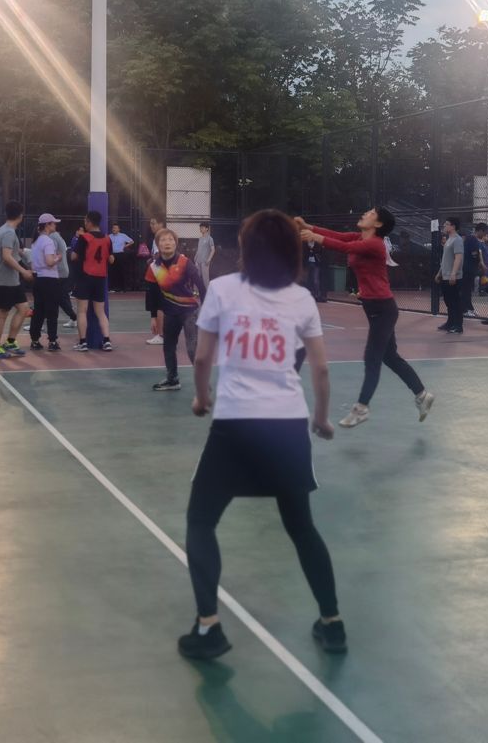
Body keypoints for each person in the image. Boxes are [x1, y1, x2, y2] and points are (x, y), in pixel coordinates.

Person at [178, 209, 343, 661]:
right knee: (301, 527)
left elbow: (202, 359)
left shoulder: (222, 289)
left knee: (200, 521)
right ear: (293, 252)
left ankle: (208, 627)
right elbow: (321, 370)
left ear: (244, 249)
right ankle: (332, 623)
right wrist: (321, 419)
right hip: (287, 426)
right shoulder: (302, 299)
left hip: (235, 424)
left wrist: (201, 398)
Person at [300, 208, 434, 428]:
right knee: (390, 357)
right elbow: (339, 237)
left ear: (378, 224)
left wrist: (315, 237)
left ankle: (361, 409)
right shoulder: (360, 237)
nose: (364, 214)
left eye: (370, 213)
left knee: (372, 358)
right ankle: (422, 395)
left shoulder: (374, 244)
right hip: (375, 307)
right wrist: (309, 227)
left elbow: (344, 247)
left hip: (383, 309)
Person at [147, 227, 207, 392]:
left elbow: (201, 285)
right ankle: (172, 379)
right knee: (168, 346)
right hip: (170, 312)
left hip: (189, 311)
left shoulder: (184, 262)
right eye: (163, 240)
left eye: (170, 239)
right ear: (158, 244)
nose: (167, 242)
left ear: (175, 243)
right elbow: (152, 294)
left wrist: (206, 309)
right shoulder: (154, 267)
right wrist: (153, 316)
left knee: (192, 348)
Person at [0, 201, 35, 358]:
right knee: (2, 313)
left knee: (23, 308)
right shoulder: (8, 232)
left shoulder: (4, 230)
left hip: (12, 280)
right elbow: (6, 256)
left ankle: (10, 341)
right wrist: (24, 271)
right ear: (21, 215)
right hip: (4, 280)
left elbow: (12, 253)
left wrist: (24, 256)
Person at [70, 210, 114, 352]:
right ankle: (107, 340)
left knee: (82, 311)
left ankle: (83, 342)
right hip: (100, 278)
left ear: (88, 222)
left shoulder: (85, 238)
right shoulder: (107, 239)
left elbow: (74, 256)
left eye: (85, 221)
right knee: (100, 311)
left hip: (85, 276)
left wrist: (72, 250)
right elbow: (111, 259)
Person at [28, 213, 64, 351]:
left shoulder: (35, 242)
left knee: (38, 311)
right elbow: (49, 262)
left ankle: (35, 339)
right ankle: (52, 341)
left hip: (38, 279)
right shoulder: (48, 241)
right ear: (48, 225)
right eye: (53, 223)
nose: (55, 225)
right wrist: (58, 258)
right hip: (50, 280)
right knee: (52, 312)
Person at [436, 218, 464, 333]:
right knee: (448, 301)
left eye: (446, 224)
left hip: (453, 277)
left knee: (455, 301)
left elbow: (458, 258)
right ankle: (450, 322)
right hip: (445, 275)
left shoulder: (457, 240)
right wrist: (439, 273)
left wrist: (453, 274)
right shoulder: (448, 240)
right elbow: (445, 260)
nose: (444, 225)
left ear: (453, 226)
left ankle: (458, 325)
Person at [49, 221, 78, 330]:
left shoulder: (52, 237)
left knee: (56, 297)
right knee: (63, 296)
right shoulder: (57, 237)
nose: (54, 225)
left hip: (58, 272)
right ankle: (73, 318)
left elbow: (51, 255)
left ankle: (74, 317)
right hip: (62, 271)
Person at [461, 223, 486, 317]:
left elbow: (476, 253)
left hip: (470, 269)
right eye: (484, 232)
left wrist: (479, 263)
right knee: (465, 290)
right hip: (467, 269)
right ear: (480, 231)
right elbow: (474, 254)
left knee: (468, 290)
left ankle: (470, 308)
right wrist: (479, 263)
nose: (484, 235)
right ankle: (464, 310)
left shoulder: (473, 239)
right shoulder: (472, 239)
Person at [107, 222, 133, 293]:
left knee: (122, 271)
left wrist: (125, 246)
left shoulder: (123, 235)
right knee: (112, 271)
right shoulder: (109, 236)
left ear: (119, 229)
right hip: (112, 255)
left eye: (115, 228)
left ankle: (123, 288)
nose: (114, 229)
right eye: (113, 228)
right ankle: (113, 288)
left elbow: (131, 241)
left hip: (121, 254)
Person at [195, 221, 216, 288]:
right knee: (196, 276)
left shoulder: (210, 239)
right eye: (200, 228)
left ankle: (207, 292)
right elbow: (199, 249)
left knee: (205, 278)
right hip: (198, 261)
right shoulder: (200, 239)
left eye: (202, 227)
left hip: (205, 262)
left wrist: (209, 259)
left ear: (207, 228)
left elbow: (213, 250)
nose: (201, 229)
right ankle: (196, 291)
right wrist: (195, 259)